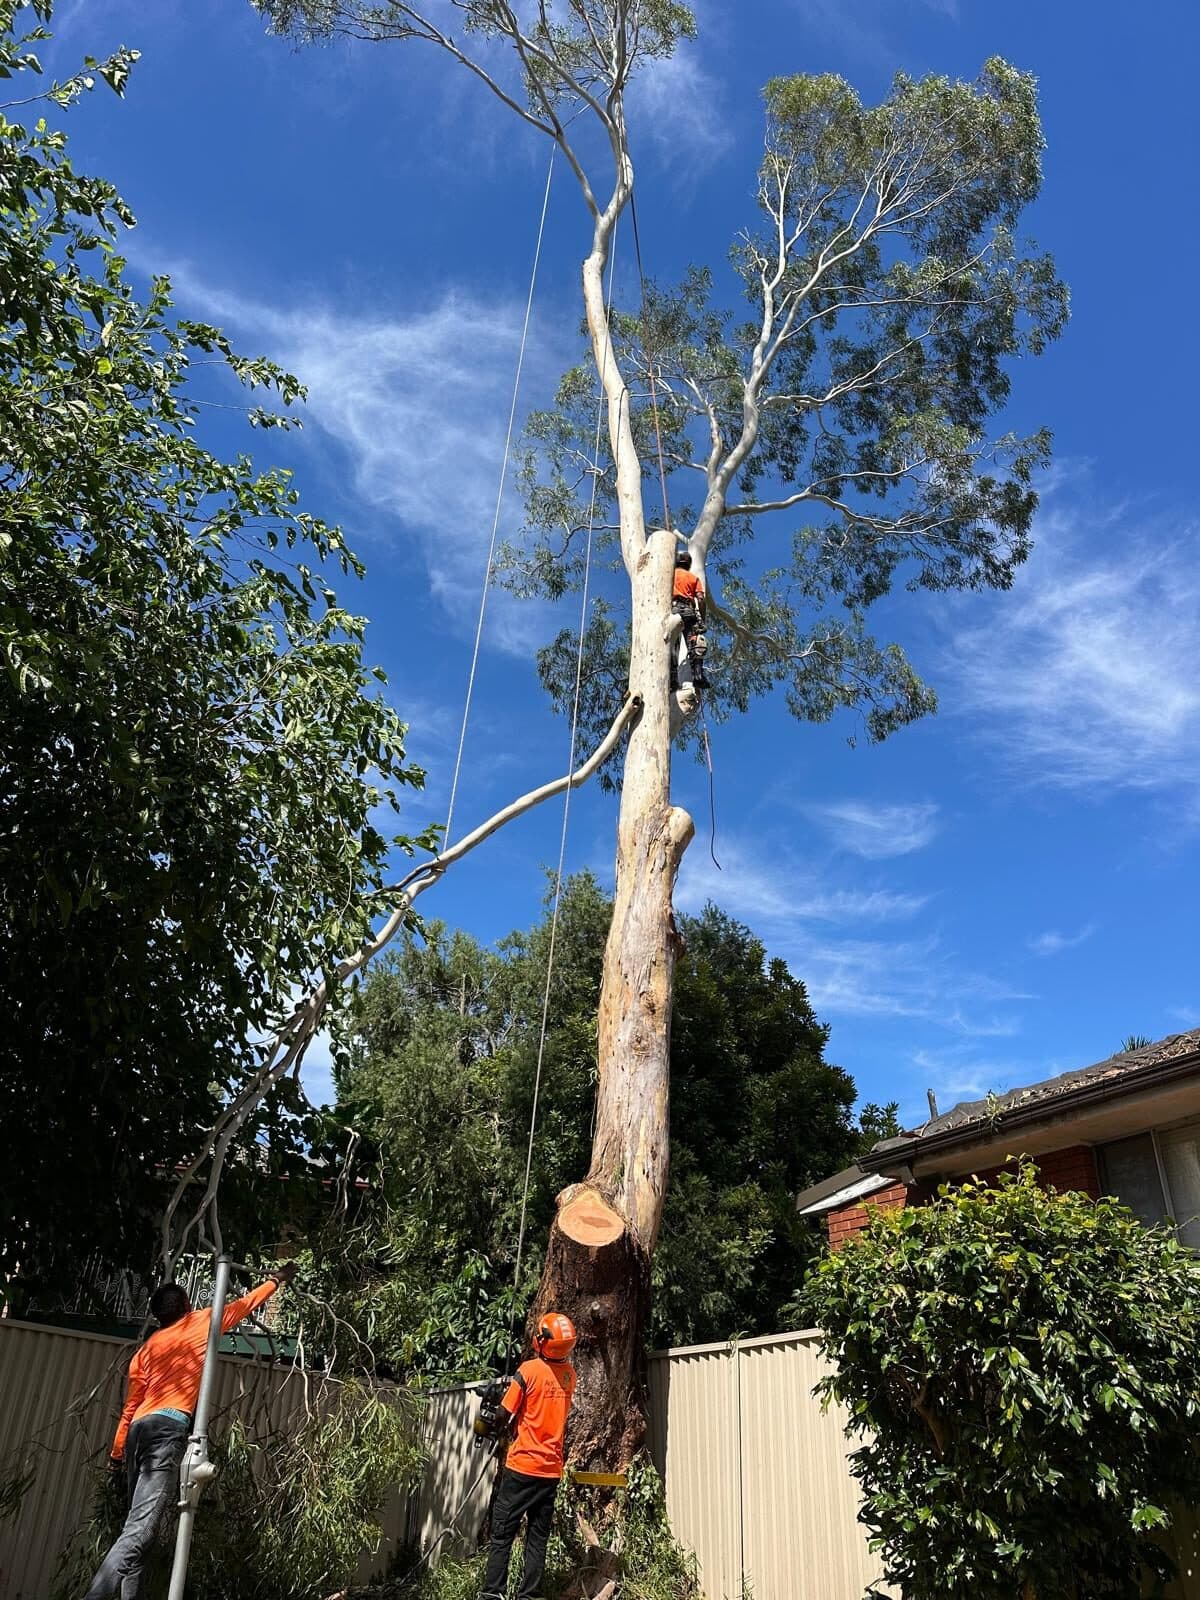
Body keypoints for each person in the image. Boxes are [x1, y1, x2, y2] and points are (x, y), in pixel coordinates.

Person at [82, 1262, 297, 1600]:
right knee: (139, 1531)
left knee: (134, 1530)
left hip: (139, 1430)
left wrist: (116, 1454)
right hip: (166, 1429)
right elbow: (246, 1305)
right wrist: (277, 1280)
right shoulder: (200, 1322)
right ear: (186, 1306)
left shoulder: (146, 1349)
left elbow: (130, 1407)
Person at [480, 1312, 577, 1600]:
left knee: (502, 1536)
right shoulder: (569, 1376)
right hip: (550, 1472)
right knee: (537, 1539)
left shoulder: (529, 1370)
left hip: (522, 1467)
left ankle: (492, 1594)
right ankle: (530, 1596)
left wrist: (494, 1409)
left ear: (543, 1341)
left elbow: (502, 1415)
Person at [671, 551, 709, 689]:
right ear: (688, 564)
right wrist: (702, 621)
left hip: (672, 610)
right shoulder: (693, 578)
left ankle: (672, 679)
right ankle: (698, 675)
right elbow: (701, 599)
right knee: (696, 641)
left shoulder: (669, 575)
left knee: (672, 645)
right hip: (688, 610)